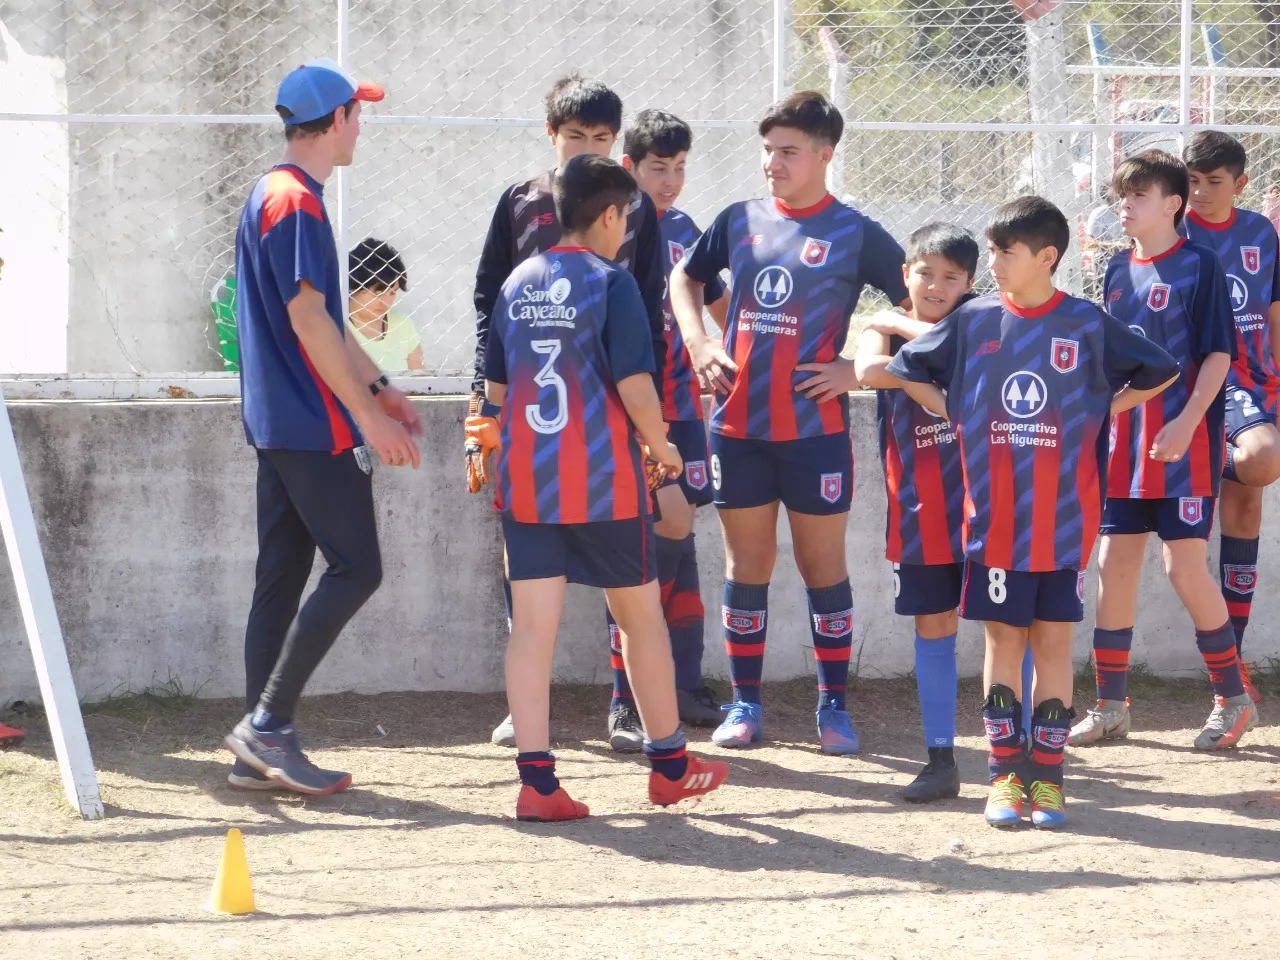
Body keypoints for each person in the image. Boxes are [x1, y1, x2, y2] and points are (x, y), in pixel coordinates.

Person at [888, 196, 1178, 830]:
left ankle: (1048, 781)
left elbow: (1161, 368)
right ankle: (1004, 777)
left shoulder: (1086, 323)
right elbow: (904, 365)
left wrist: (1104, 408)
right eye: (990, 250)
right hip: (994, 522)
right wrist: (954, 410)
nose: (992, 262)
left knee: (1052, 642)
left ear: (1046, 258)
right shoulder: (974, 321)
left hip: (1066, 522)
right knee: (1002, 641)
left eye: (1004, 252)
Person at [485, 154, 729, 821]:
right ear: (612, 214)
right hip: (603, 484)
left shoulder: (516, 283)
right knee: (640, 619)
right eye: (628, 217)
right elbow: (635, 387)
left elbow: (498, 391)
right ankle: (670, 766)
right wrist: (664, 450)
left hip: (530, 484)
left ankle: (537, 786)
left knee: (531, 630)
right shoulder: (612, 284)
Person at [670, 91, 910, 755]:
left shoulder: (855, 232)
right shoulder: (738, 218)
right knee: (747, 563)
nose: (773, 162)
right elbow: (684, 281)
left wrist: (858, 368)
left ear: (825, 155)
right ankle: (746, 704)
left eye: (789, 151)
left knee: (821, 565)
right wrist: (697, 341)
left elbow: (922, 307)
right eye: (768, 149)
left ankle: (833, 707)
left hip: (816, 433)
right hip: (738, 428)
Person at [222, 59, 423, 795]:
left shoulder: (273, 194)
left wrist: (380, 384)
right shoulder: (296, 202)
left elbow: (325, 322)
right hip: (311, 423)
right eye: (358, 114)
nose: (361, 126)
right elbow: (308, 322)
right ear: (335, 120)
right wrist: (367, 418)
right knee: (357, 567)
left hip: (280, 422)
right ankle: (266, 726)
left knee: (279, 581)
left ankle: (254, 748)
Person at [465, 76, 668, 752]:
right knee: (530, 583)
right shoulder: (521, 204)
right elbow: (487, 306)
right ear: (551, 136)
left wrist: (652, 430)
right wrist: (481, 410)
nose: (588, 148)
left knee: (627, 588)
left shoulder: (633, 212)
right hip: (533, 429)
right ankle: (530, 717)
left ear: (618, 147)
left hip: (607, 431)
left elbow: (647, 323)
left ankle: (626, 708)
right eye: (576, 135)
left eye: (602, 138)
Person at [1070, 151, 1255, 750]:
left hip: (1185, 449)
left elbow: (1220, 356)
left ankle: (1233, 699)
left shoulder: (1200, 266)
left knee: (1183, 567)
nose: (1123, 205)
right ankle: (1111, 706)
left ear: (1173, 204)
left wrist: (1185, 425)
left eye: (1138, 195)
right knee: (1111, 566)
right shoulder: (1115, 271)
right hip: (1124, 450)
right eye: (1120, 196)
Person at [857, 222, 1009, 802]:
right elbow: (871, 371)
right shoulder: (884, 331)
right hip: (920, 510)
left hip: (989, 507)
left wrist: (900, 329)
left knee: (1004, 628)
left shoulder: (985, 324)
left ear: (970, 282)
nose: (937, 286)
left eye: (951, 278)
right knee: (934, 626)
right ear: (905, 274)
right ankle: (941, 758)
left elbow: (967, 367)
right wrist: (903, 344)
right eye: (925, 274)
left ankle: (1007, 758)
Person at [618, 108, 729, 729]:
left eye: (680, 168)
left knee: (680, 539)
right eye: (659, 168)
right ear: (630, 168)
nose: (670, 181)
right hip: (632, 411)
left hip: (686, 408)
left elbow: (721, 305)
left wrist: (748, 358)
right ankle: (625, 701)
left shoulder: (687, 227)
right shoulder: (612, 225)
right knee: (634, 550)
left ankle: (683, 685)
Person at [1180, 131, 1280, 704]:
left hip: (1258, 385)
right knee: (1260, 459)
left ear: (1240, 184)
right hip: (1205, 382)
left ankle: (1232, 667)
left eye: (1214, 182)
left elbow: (1270, 310)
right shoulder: (1175, 230)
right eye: (1192, 181)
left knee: (1247, 499)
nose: (1200, 192)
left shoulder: (1261, 233)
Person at [347, 238, 424, 370]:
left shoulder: (402, 324)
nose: (386, 302)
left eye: (392, 293)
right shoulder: (334, 327)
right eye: (378, 292)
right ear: (353, 286)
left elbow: (419, 380)